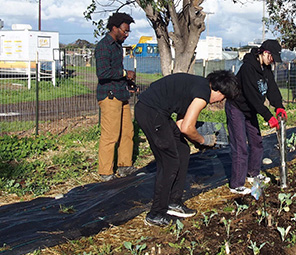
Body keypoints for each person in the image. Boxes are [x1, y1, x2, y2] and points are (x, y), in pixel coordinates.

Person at [135, 70, 240, 227]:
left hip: (157, 112)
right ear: (218, 90)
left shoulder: (198, 86)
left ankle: (173, 202)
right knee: (169, 162)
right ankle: (156, 213)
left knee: (183, 151)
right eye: (223, 97)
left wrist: (196, 141)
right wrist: (204, 140)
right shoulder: (202, 94)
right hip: (151, 112)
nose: (220, 102)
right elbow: (187, 128)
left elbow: (180, 124)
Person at [226, 39, 287, 195]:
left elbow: (272, 88)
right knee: (240, 145)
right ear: (265, 53)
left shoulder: (265, 68)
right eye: (272, 57)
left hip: (251, 109)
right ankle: (236, 184)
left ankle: (253, 173)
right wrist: (268, 117)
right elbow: (252, 97)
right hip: (237, 108)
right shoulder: (248, 69)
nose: (273, 61)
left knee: (257, 141)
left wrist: (279, 106)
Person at [95, 12, 137, 181]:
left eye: (128, 32)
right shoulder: (104, 46)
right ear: (115, 28)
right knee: (110, 135)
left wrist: (128, 84)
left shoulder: (117, 46)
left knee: (127, 131)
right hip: (109, 95)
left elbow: (116, 73)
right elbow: (103, 73)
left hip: (121, 93)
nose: (126, 34)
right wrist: (125, 73)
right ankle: (105, 172)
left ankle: (125, 166)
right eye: (125, 31)